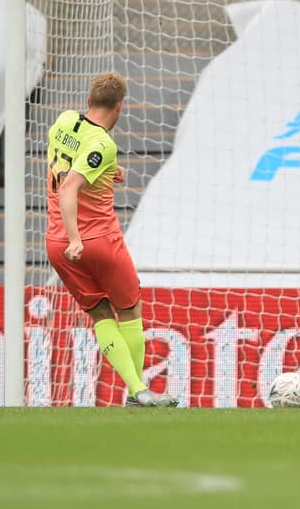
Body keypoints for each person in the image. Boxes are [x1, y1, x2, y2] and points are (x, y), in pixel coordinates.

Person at [45, 73, 176, 407]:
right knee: (130, 311)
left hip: (56, 245)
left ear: (89, 101)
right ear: (120, 107)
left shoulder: (63, 121)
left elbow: (66, 165)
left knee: (101, 316)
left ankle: (136, 390)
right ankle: (138, 392)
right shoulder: (103, 144)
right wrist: (77, 237)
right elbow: (70, 186)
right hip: (97, 240)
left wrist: (107, 172)